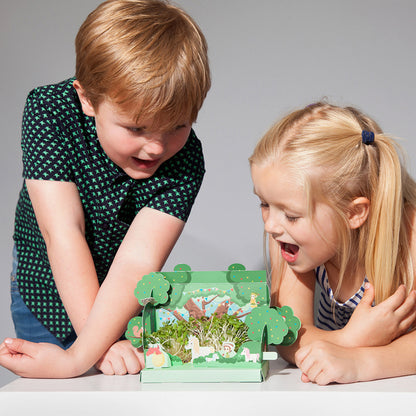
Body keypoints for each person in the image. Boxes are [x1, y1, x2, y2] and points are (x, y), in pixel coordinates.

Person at [0, 0, 210, 378]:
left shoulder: (186, 159)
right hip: (44, 286)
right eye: (136, 128)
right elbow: (63, 232)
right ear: (87, 98)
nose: (156, 147)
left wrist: (88, 350)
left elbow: (138, 261)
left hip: (120, 299)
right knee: (53, 394)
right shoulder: (50, 111)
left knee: (112, 386)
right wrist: (89, 352)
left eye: (177, 126)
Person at [249, 102, 416, 385]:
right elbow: (287, 336)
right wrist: (350, 339)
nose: (270, 226)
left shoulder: (409, 234)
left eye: (291, 215)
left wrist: (360, 363)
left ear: (353, 213)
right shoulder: (289, 240)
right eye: (264, 204)